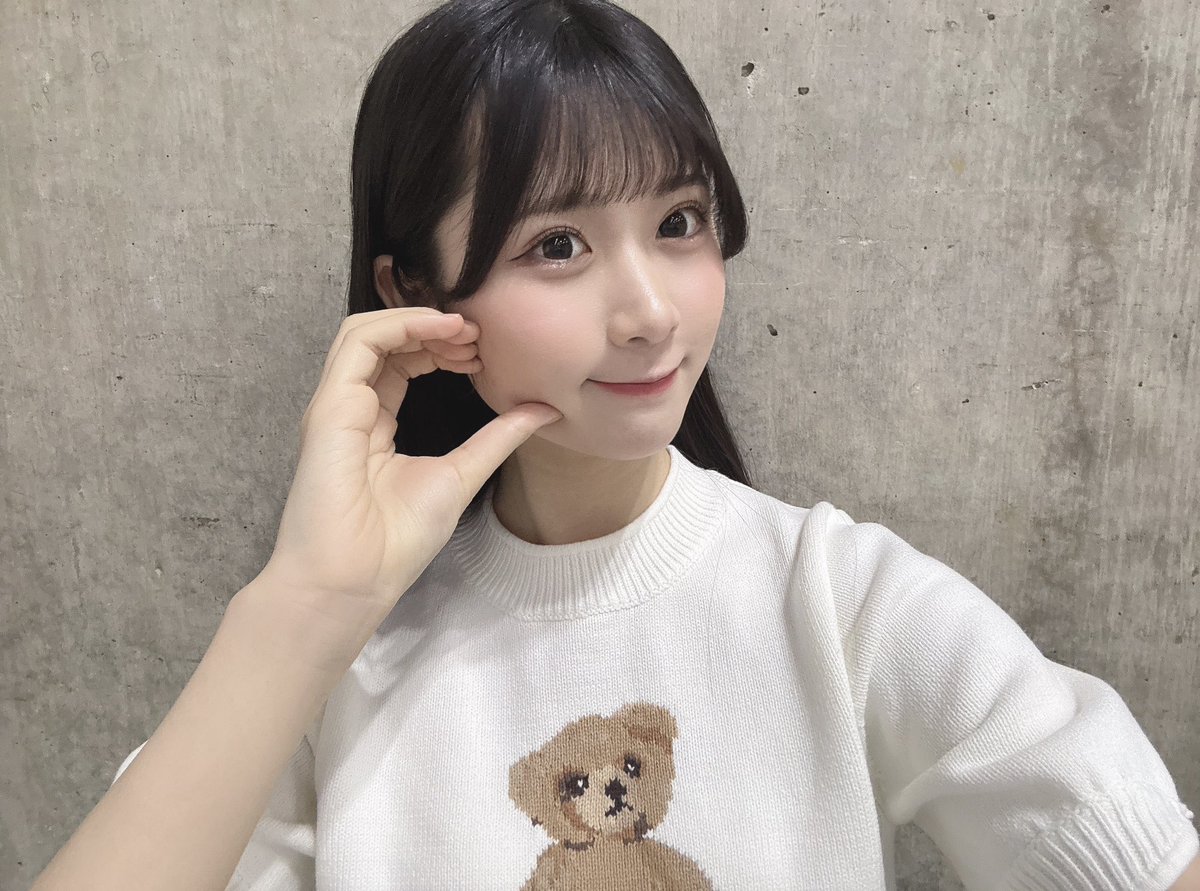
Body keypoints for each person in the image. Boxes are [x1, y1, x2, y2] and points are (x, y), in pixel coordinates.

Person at [31, 0, 1200, 888]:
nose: (649, 312)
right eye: (558, 245)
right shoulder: (343, 666)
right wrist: (304, 605)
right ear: (415, 295)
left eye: (679, 223)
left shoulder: (842, 602)